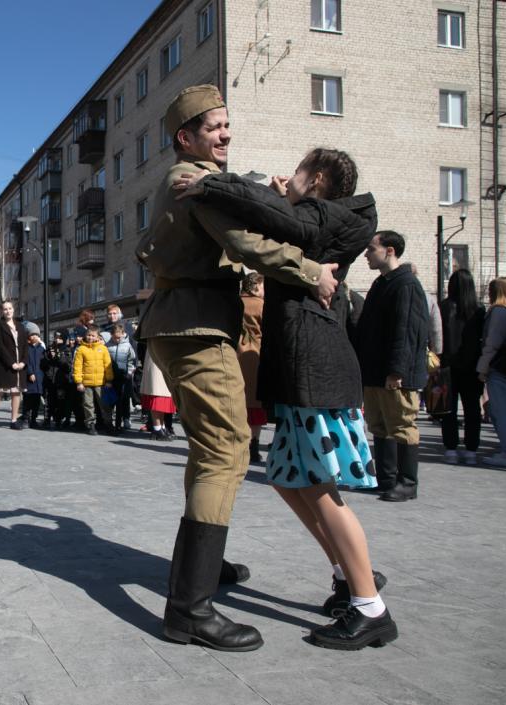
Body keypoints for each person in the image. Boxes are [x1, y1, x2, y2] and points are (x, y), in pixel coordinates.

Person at [136, 85, 339, 652]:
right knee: (227, 449)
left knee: (211, 449)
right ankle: (189, 609)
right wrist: (311, 272)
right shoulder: (192, 181)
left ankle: (205, 568)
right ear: (186, 138)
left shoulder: (197, 180)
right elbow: (244, 242)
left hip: (190, 319)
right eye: (214, 127)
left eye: (228, 125)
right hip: (196, 325)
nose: (225, 133)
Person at [177, 147, 396, 650]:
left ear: (315, 179)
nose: (285, 177)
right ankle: (348, 574)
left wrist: (210, 185)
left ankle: (369, 606)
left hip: (315, 367)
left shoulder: (324, 215)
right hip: (305, 365)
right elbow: (279, 219)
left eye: (297, 170)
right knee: (289, 479)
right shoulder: (320, 217)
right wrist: (278, 197)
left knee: (319, 485)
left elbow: (271, 214)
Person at [355, 231, 429, 501]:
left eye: (371, 249)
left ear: (389, 251)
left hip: (395, 374)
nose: (366, 254)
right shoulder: (380, 284)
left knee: (402, 425)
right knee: (379, 425)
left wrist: (397, 370)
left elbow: (407, 331)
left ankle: (407, 483)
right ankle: (386, 478)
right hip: (375, 372)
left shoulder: (406, 284)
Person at [477, 277, 506, 467]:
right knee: (503, 410)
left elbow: (492, 343)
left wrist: (482, 368)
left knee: (500, 411)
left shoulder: (498, 312)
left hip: (499, 367)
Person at [438, 270, 484, 465]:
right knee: (472, 409)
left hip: (448, 365)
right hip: (472, 366)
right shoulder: (479, 309)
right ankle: (472, 450)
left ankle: (451, 448)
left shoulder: (445, 307)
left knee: (448, 409)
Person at [237, 273, 266, 463]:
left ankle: (238, 445)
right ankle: (253, 446)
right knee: (255, 403)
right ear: (256, 286)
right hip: (255, 354)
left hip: (234, 353)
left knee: (238, 401)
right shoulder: (260, 305)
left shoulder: (235, 302)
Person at [0, 300, 29, 430]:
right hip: (5, 365)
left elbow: (25, 346)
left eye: (10, 308)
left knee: (16, 393)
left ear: (13, 310)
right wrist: (11, 363)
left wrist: (23, 362)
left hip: (19, 365)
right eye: (5, 309)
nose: (8, 311)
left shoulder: (21, 326)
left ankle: (13, 420)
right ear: (2, 311)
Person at [74, 324, 114, 435]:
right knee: (88, 405)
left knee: (104, 405)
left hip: (101, 383)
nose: (90, 337)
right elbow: (77, 366)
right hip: (86, 383)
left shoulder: (103, 349)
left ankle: (108, 424)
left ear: (97, 337)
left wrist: (109, 380)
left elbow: (108, 366)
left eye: (93, 335)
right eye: (88, 335)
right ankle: (90, 424)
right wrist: (79, 382)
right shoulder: (81, 349)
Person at [106, 323, 137, 435]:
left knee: (121, 401)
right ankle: (110, 423)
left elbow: (132, 361)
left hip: (124, 377)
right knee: (111, 401)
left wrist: (129, 373)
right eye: (115, 337)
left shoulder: (128, 346)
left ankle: (119, 423)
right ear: (111, 335)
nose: (117, 339)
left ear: (123, 334)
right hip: (112, 377)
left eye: (119, 337)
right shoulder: (108, 346)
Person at [42, 331, 74, 428]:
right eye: (56, 337)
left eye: (59, 338)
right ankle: (47, 419)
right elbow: (43, 365)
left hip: (61, 381)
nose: (57, 340)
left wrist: (59, 357)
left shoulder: (67, 350)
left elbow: (68, 367)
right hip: (50, 379)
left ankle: (58, 420)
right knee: (49, 401)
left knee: (60, 401)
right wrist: (48, 357)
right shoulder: (49, 349)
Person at [22, 322, 45, 428]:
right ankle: (26, 418)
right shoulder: (26, 348)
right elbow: (26, 362)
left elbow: (44, 363)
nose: (34, 337)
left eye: (36, 335)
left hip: (39, 379)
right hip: (29, 379)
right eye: (32, 335)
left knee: (36, 401)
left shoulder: (42, 348)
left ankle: (33, 419)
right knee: (27, 400)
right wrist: (30, 373)